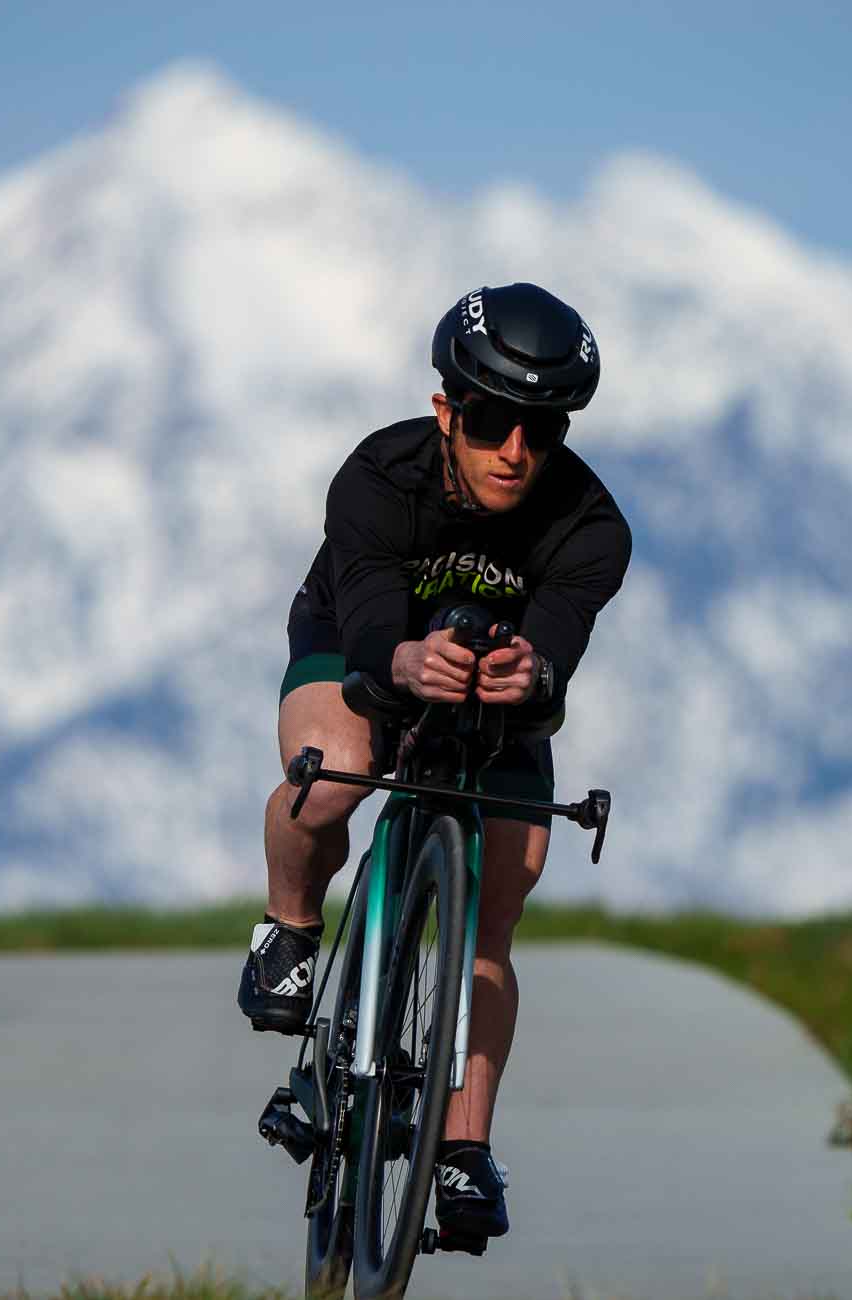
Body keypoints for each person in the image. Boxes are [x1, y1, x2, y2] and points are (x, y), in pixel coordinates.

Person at [237, 282, 633, 1241]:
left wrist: (529, 671)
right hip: (361, 642)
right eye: (494, 422)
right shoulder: (377, 477)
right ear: (446, 409)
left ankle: (461, 1152)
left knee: (506, 886)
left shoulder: (591, 526)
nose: (516, 451)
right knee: (331, 774)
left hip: (492, 690)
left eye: (543, 430)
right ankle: (288, 928)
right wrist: (405, 660)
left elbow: (558, 647)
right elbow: (371, 616)